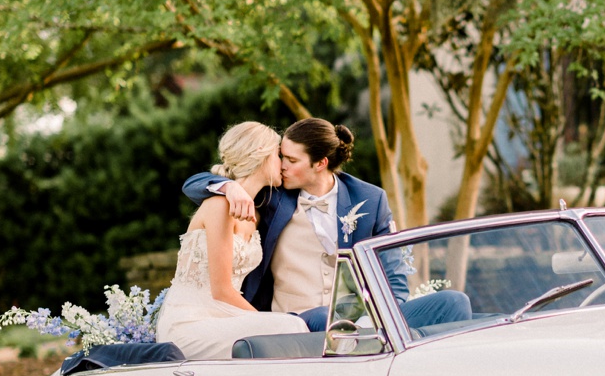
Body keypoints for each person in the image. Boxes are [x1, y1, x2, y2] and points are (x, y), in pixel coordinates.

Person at [183, 117, 471, 332]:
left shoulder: (370, 200)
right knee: (327, 318)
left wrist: (385, 322)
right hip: (299, 322)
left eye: (291, 159)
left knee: (454, 303)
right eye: (281, 156)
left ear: (320, 163)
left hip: (364, 321)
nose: (280, 164)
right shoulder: (273, 196)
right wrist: (226, 188)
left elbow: (393, 274)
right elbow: (194, 184)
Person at [156, 122, 308, 359]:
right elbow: (221, 290)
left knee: (293, 328)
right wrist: (265, 321)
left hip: (226, 319)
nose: (284, 163)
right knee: (290, 329)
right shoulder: (218, 205)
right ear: (262, 156)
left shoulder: (257, 212)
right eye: (279, 155)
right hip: (190, 323)